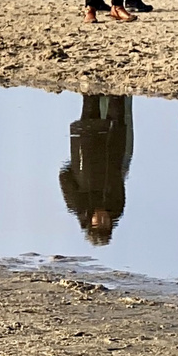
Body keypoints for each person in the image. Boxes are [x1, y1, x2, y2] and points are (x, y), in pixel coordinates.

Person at [58, 94, 133, 245]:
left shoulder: (77, 204)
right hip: (113, 148)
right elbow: (120, 180)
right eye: (105, 224)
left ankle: (91, 77)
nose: (103, 219)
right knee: (117, 108)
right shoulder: (116, 206)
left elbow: (64, 177)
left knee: (90, 105)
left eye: (98, 223)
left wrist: (79, 166)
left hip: (87, 147)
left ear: (90, 223)